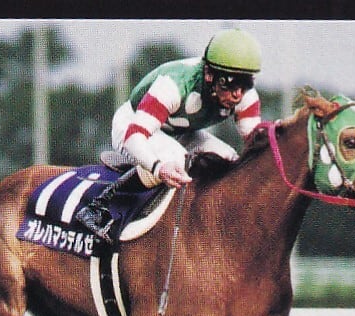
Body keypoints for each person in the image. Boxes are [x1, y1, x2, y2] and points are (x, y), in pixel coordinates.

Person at [76, 28, 264, 240]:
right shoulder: (175, 85)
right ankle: (99, 204)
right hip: (133, 126)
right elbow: (134, 136)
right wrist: (158, 168)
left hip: (179, 132)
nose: (237, 94)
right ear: (209, 75)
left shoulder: (245, 96)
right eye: (228, 83)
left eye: (245, 83)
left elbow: (255, 141)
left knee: (230, 159)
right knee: (175, 160)